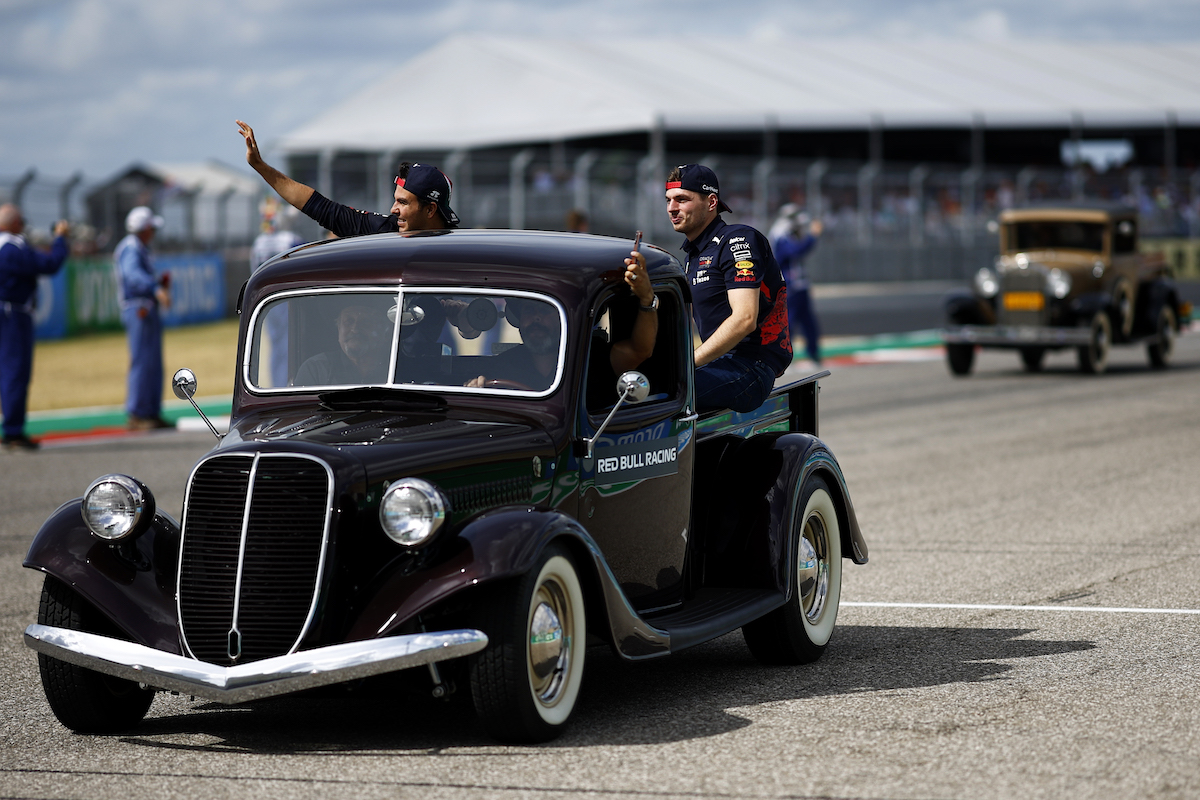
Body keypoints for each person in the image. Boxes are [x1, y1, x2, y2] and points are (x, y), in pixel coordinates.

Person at [664, 164, 791, 413]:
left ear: (711, 202)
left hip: (750, 366)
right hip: (719, 364)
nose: (671, 208)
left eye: (682, 199)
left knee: (662, 393)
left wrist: (687, 364)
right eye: (668, 200)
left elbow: (745, 319)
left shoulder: (738, 240)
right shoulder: (693, 255)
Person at [466, 244, 657, 391]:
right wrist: (476, 387)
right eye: (529, 311)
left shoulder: (594, 357)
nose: (536, 319)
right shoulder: (504, 365)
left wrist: (646, 299)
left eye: (546, 309)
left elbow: (641, 350)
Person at [237, 120, 459, 236]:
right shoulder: (387, 232)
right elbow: (322, 208)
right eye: (396, 200)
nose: (393, 209)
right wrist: (260, 166)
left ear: (430, 210)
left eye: (403, 202)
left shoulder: (461, 252)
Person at [0, 204, 70, 450]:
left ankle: (12, 429)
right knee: (15, 371)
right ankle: (13, 431)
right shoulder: (12, 248)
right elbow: (50, 264)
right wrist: (60, 238)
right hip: (12, 315)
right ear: (14, 223)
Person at [115, 206, 171, 430]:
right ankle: (137, 413)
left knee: (153, 362)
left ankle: (151, 410)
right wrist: (155, 287)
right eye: (152, 228)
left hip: (146, 307)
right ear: (144, 228)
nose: (154, 232)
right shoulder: (131, 248)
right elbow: (133, 276)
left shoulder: (140, 248)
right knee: (141, 360)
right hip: (138, 308)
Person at [251, 198, 305, 387]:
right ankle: (287, 385)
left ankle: (276, 385)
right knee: (292, 344)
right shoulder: (290, 239)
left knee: (275, 345)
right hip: (288, 299)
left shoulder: (259, 242)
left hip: (266, 300)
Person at [770, 203, 823, 365]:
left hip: (799, 285)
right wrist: (813, 236)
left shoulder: (788, 234)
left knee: (808, 321)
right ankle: (785, 359)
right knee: (789, 322)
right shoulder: (780, 234)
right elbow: (795, 251)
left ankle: (813, 354)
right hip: (789, 285)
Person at [294, 303, 392, 386]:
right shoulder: (316, 369)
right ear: (339, 330)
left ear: (386, 333)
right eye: (348, 321)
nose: (355, 329)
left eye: (365, 322)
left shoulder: (398, 368)